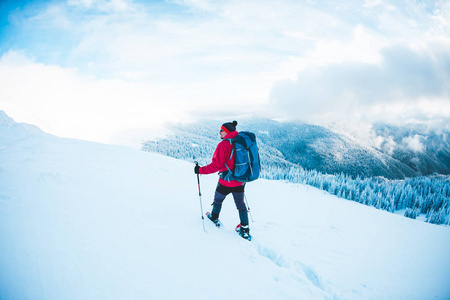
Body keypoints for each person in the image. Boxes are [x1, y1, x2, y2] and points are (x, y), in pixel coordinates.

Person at [194, 121, 250, 239]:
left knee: (218, 199)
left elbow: (216, 166)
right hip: (240, 180)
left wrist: (200, 170)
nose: (219, 132)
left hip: (226, 181)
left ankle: (214, 217)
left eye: (221, 130)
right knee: (240, 204)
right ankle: (245, 229)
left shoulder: (223, 145)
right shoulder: (241, 141)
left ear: (227, 131)